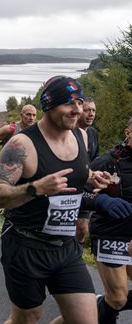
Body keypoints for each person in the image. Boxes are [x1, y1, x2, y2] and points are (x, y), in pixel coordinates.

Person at [0, 75, 119, 324]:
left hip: (65, 245)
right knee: (26, 320)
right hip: (26, 246)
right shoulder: (22, 145)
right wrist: (35, 188)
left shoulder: (80, 135)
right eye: (68, 104)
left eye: (80, 102)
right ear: (48, 105)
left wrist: (91, 178)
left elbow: (78, 172)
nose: (78, 110)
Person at [85, 118, 132, 324]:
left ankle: (107, 306)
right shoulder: (109, 160)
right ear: (128, 133)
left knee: (116, 300)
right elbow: (77, 189)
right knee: (119, 297)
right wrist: (101, 199)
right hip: (110, 233)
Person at [77, 98, 99, 244]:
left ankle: (75, 254)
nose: (91, 114)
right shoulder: (69, 132)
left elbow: (96, 159)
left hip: (87, 188)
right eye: (87, 110)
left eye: (93, 110)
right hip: (69, 187)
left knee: (83, 228)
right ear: (79, 112)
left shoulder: (93, 133)